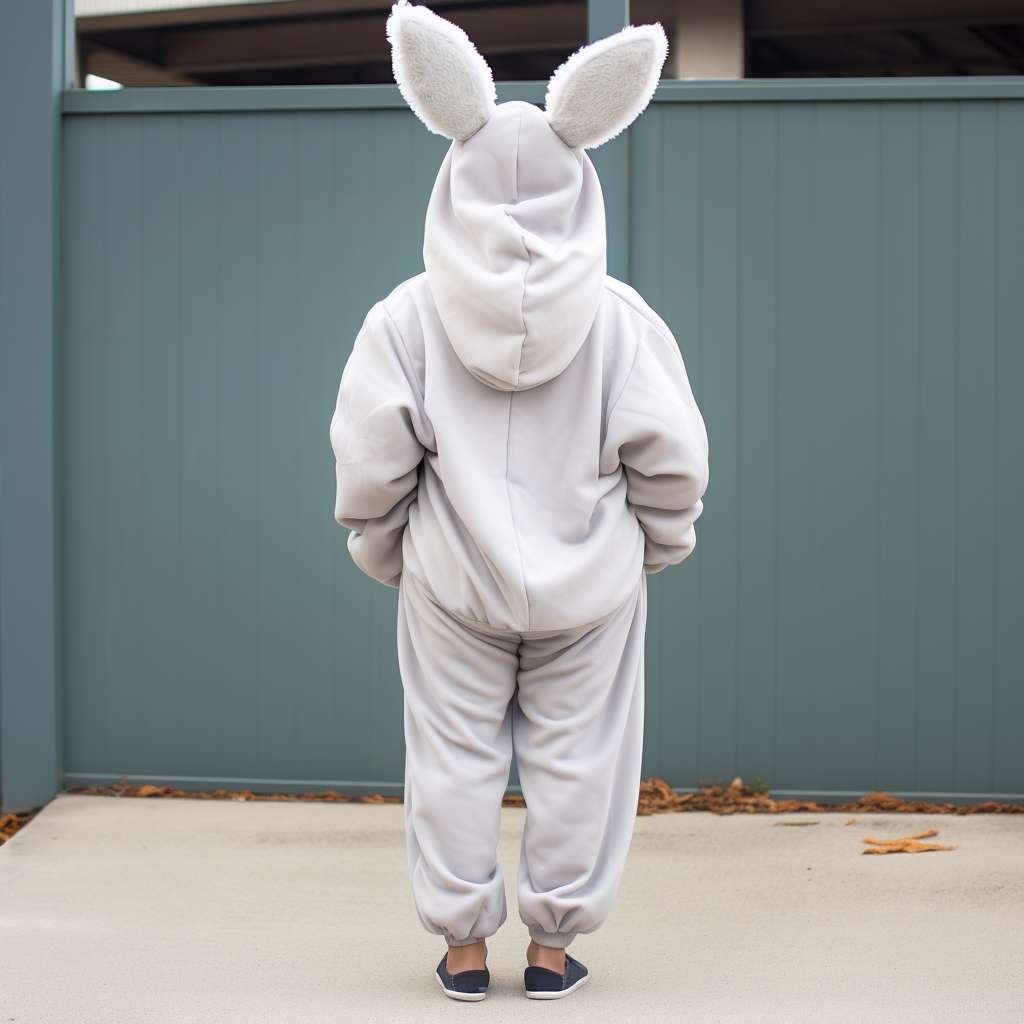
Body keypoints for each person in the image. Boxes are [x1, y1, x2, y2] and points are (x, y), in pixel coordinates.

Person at [331, 1, 708, 1002]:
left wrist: (388, 550)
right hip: (591, 588)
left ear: (450, 179)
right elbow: (673, 462)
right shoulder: (624, 323)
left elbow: (370, 461)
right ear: (579, 180)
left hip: (451, 583)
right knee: (581, 759)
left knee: (451, 756)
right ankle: (552, 952)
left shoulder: (403, 318)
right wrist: (648, 547)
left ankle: (461, 949)